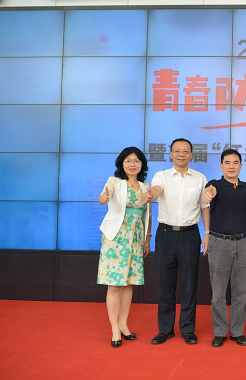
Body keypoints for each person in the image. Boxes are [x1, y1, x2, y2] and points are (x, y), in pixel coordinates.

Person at [142, 138, 208, 346]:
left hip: (190, 235)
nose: (181, 154)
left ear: (191, 155)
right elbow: (157, 190)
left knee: (189, 284)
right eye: (177, 151)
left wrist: (207, 232)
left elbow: (204, 206)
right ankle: (165, 329)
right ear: (171, 154)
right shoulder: (161, 176)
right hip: (166, 235)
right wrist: (150, 194)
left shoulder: (200, 178)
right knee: (165, 284)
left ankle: (188, 329)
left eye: (185, 151)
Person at [202, 149, 246, 348]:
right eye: (227, 163)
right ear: (221, 166)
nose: (231, 166)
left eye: (235, 163)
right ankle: (219, 331)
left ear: (240, 166)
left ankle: (237, 331)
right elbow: (208, 195)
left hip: (243, 242)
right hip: (219, 242)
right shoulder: (214, 185)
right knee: (218, 293)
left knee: (241, 291)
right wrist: (208, 195)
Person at [97, 146, 151, 348]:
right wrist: (103, 198)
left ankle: (123, 324)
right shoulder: (114, 182)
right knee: (114, 284)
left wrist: (147, 238)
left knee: (129, 283)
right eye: (128, 161)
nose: (132, 164)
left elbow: (148, 215)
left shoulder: (146, 186)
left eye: (136, 160)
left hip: (136, 238)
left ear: (142, 164)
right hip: (116, 238)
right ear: (121, 163)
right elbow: (104, 196)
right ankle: (114, 329)